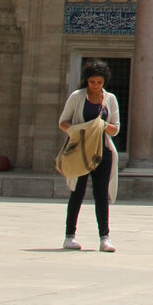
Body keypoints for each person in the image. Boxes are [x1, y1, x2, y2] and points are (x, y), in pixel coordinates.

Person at [58, 60, 119, 251]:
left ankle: (104, 237)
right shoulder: (77, 97)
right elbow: (63, 122)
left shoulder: (110, 99)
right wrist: (80, 130)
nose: (95, 86)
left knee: (101, 194)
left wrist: (102, 125)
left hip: (102, 152)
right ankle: (70, 235)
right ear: (87, 81)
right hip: (81, 152)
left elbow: (115, 128)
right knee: (78, 192)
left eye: (99, 82)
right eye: (92, 82)